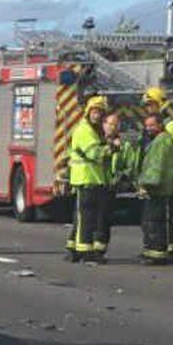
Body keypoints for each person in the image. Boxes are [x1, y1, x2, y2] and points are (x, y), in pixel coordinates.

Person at [65, 95, 113, 263]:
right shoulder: (85, 130)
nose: (97, 115)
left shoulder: (93, 130)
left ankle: (74, 248)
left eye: (100, 112)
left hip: (92, 179)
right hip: (86, 179)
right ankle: (84, 251)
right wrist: (111, 147)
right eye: (94, 111)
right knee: (86, 217)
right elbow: (94, 154)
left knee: (83, 217)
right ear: (88, 112)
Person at [135, 113, 173, 265]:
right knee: (156, 221)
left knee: (155, 222)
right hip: (162, 188)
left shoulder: (161, 142)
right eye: (147, 125)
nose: (148, 128)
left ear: (160, 125)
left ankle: (157, 254)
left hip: (159, 189)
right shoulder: (161, 140)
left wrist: (145, 184)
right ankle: (155, 252)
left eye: (152, 125)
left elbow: (156, 167)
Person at [101, 111, 137, 249]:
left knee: (104, 219)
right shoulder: (97, 140)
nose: (113, 127)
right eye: (110, 124)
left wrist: (121, 177)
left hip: (110, 187)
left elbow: (130, 165)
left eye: (116, 125)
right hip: (95, 184)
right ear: (104, 124)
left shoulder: (125, 146)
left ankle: (100, 248)